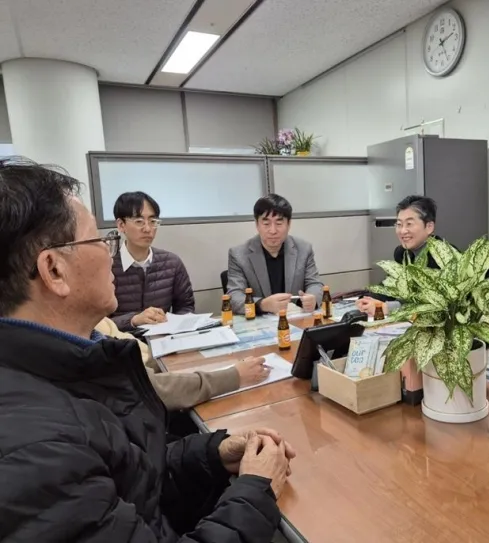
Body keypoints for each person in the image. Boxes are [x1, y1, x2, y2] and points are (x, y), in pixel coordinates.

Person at [0, 158, 294, 541]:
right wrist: (256, 490)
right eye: (99, 240)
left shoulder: (69, 367)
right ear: (54, 270)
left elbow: (131, 474)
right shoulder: (39, 449)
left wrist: (212, 454)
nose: (109, 252)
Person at [95, 316, 270, 411]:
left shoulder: (101, 324)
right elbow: (152, 387)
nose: (113, 275)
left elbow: (146, 358)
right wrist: (234, 376)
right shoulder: (92, 346)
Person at [110, 191, 195, 332]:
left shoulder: (172, 263)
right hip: (119, 342)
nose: (148, 229)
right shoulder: (107, 267)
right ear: (121, 225)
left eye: (153, 221)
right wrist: (133, 320)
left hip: (163, 339)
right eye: (139, 221)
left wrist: (171, 324)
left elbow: (186, 307)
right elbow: (96, 323)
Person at [228, 194, 323, 315]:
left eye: (279, 223)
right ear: (257, 224)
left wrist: (312, 298)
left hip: (295, 318)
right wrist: (262, 305)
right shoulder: (238, 254)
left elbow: (315, 284)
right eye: (266, 223)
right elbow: (234, 296)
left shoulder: (303, 249)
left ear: (289, 224)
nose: (273, 231)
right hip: (260, 322)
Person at [357, 195, 442, 317]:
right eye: (399, 224)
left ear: (429, 227)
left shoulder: (441, 257)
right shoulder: (402, 253)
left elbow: (431, 304)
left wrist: (387, 308)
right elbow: (389, 287)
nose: (403, 231)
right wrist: (367, 299)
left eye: (409, 224)